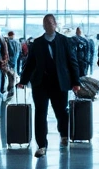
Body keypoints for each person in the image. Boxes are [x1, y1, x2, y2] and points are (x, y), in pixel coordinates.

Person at [17, 14, 82, 158]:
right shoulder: (37, 43)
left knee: (61, 111)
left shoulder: (64, 41)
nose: (48, 25)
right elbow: (30, 64)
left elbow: (73, 62)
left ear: (55, 24)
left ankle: (64, 134)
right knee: (40, 113)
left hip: (60, 82)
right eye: (45, 23)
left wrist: (76, 82)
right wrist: (23, 80)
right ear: (43, 26)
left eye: (51, 23)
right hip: (40, 83)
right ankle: (41, 145)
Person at [4, 31, 20, 99]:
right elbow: (19, 52)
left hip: (9, 61)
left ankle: (11, 89)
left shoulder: (7, 42)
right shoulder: (18, 42)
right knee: (13, 74)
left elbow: (7, 52)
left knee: (9, 75)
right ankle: (12, 89)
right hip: (15, 60)